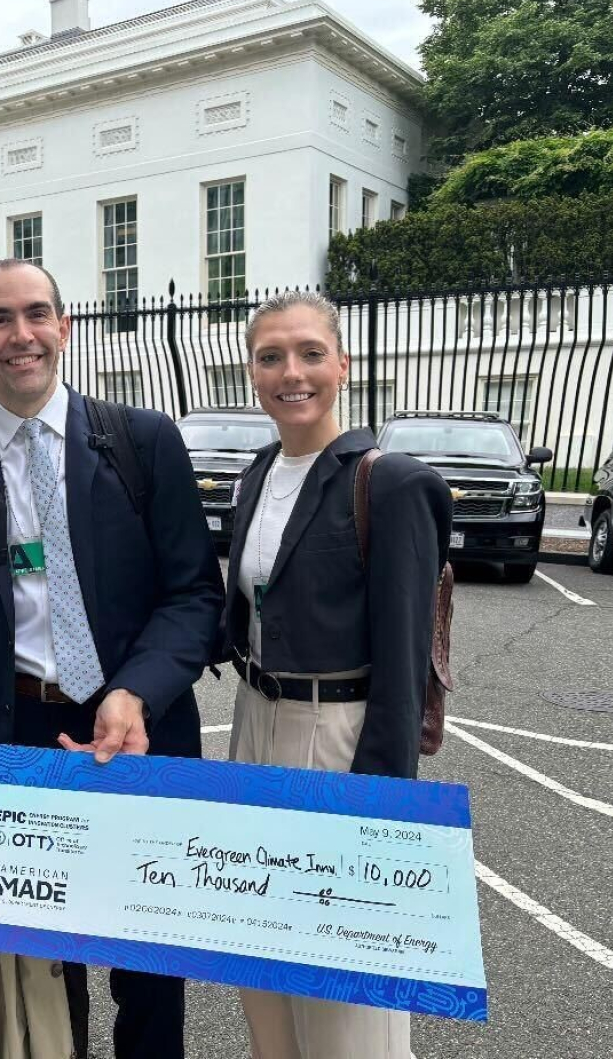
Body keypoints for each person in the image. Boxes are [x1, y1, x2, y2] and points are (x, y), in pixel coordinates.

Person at [0, 258, 224, 1059]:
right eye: (2, 320)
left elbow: (194, 595)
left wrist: (134, 692)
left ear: (65, 326)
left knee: (150, 967)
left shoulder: (142, 441)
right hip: (20, 733)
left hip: (138, 729)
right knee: (43, 973)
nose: (23, 335)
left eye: (38, 314)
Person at [220, 290, 452, 1058]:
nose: (292, 372)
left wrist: (376, 805)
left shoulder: (389, 482)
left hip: (337, 734)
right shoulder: (256, 474)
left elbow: (405, 665)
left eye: (310, 352)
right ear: (251, 369)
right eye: (271, 355)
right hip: (253, 723)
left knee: (346, 996)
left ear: (343, 365)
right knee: (265, 966)